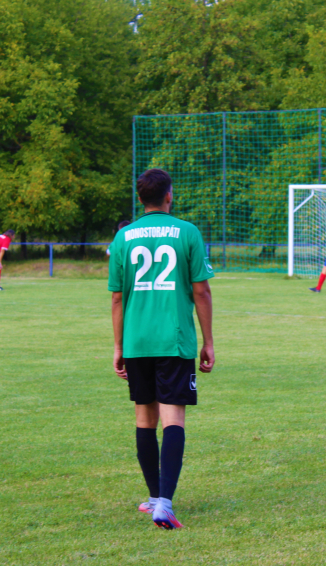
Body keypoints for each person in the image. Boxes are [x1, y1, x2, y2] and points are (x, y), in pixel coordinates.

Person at [108, 168, 215, 530]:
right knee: (173, 419)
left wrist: (119, 345)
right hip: (174, 339)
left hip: (137, 340)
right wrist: (209, 341)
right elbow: (201, 291)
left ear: (141, 199)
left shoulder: (124, 237)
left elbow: (118, 297)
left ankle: (155, 498)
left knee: (144, 419)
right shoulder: (188, 232)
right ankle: (164, 504)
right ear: (169, 196)